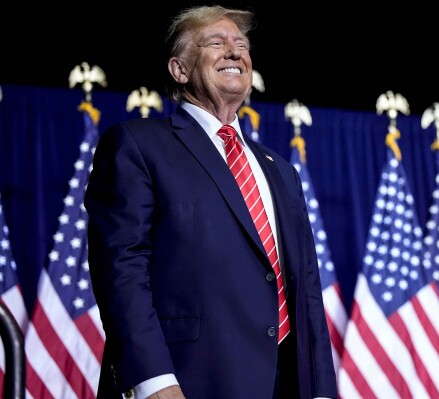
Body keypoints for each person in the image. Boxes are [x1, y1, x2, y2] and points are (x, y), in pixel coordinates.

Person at [84, 4, 338, 399]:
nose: (235, 52)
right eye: (216, 43)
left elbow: (306, 288)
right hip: (188, 382)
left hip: (285, 385)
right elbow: (121, 269)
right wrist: (154, 381)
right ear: (179, 70)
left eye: (242, 45)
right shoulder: (138, 145)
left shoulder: (279, 169)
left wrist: (321, 388)